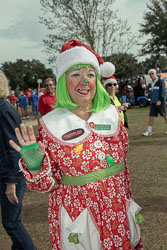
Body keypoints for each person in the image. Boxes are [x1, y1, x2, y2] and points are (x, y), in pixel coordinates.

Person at [10, 40, 143, 250]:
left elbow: (123, 165)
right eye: (75, 74)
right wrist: (35, 165)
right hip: (79, 215)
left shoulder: (114, 114)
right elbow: (46, 185)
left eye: (90, 74)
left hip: (117, 210)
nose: (84, 81)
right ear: (63, 81)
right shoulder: (51, 124)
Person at [0, 72, 37, 250]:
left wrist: (11, 183)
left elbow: (14, 150)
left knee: (12, 223)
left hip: (10, 175)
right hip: (5, 173)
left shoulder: (4, 109)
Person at [143, 68, 167, 136]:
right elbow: (148, 92)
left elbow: (163, 92)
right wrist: (147, 94)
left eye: (152, 73)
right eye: (150, 74)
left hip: (160, 103)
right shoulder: (150, 83)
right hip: (153, 102)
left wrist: (160, 100)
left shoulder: (160, 81)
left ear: (156, 74)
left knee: (165, 116)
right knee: (151, 116)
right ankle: (149, 131)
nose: (151, 75)